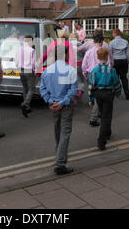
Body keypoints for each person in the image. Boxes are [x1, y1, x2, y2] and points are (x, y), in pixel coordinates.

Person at [40, 46, 77, 175]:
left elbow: (42, 89)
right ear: (65, 55)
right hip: (65, 105)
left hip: (53, 105)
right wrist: (61, 103)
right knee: (65, 132)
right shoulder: (71, 70)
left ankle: (58, 157)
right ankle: (60, 163)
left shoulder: (47, 71)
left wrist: (50, 101)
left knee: (57, 131)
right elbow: (73, 91)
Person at [88, 49, 121, 151]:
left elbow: (91, 86)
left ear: (98, 57)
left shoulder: (94, 71)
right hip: (108, 94)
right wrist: (118, 93)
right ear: (107, 57)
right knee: (106, 117)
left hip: (98, 94)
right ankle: (101, 141)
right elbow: (117, 83)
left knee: (103, 114)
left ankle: (107, 132)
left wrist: (91, 99)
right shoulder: (112, 70)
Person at [82, 31, 113, 127]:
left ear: (93, 41)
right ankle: (93, 118)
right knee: (98, 96)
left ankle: (97, 113)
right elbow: (109, 64)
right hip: (102, 74)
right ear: (102, 41)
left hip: (91, 74)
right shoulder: (104, 52)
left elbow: (84, 65)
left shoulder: (88, 52)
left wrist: (85, 74)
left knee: (94, 95)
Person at [15, 35, 36, 117]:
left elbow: (16, 60)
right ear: (30, 41)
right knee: (31, 89)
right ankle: (25, 104)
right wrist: (34, 70)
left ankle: (27, 107)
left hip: (21, 69)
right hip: (28, 70)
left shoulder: (19, 49)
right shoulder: (32, 50)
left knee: (25, 88)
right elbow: (33, 63)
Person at [110, 29, 129, 100]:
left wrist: (111, 62)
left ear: (115, 34)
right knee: (124, 77)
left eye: (113, 33)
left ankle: (116, 93)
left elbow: (110, 53)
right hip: (123, 60)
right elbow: (128, 53)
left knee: (115, 78)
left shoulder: (112, 42)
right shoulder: (125, 42)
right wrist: (127, 60)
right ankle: (127, 92)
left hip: (115, 61)